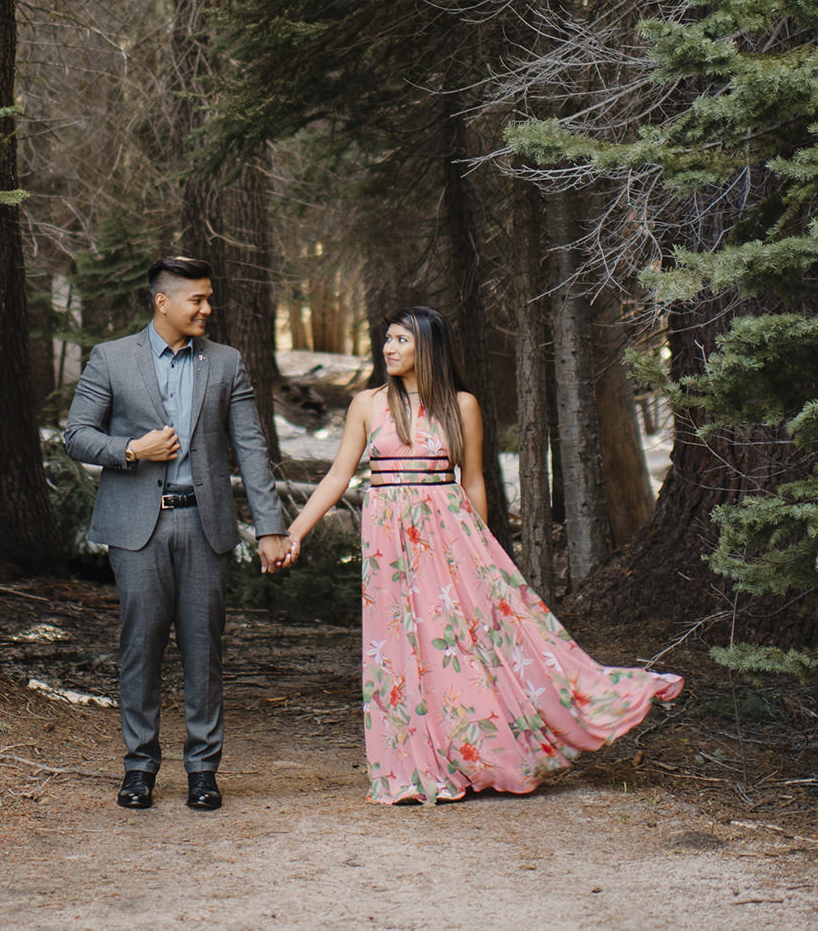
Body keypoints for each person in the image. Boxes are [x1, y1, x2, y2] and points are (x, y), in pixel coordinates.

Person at [281, 305, 683, 805]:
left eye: (402, 340)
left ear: (428, 346)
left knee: (459, 645)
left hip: (448, 539)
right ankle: (412, 763)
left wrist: (481, 552)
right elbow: (339, 476)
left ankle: (483, 756)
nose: (389, 348)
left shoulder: (460, 404)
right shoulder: (368, 404)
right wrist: (295, 531)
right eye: (387, 339)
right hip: (387, 543)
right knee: (402, 646)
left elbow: (471, 480)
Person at [61, 256, 289, 812]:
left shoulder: (227, 363)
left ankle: (202, 771)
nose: (208, 309)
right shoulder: (112, 358)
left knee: (203, 649)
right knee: (139, 646)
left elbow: (252, 448)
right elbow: (76, 436)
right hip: (138, 528)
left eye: (210, 299)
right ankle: (139, 769)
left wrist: (269, 528)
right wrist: (132, 450)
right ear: (163, 302)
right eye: (198, 299)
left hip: (205, 524)